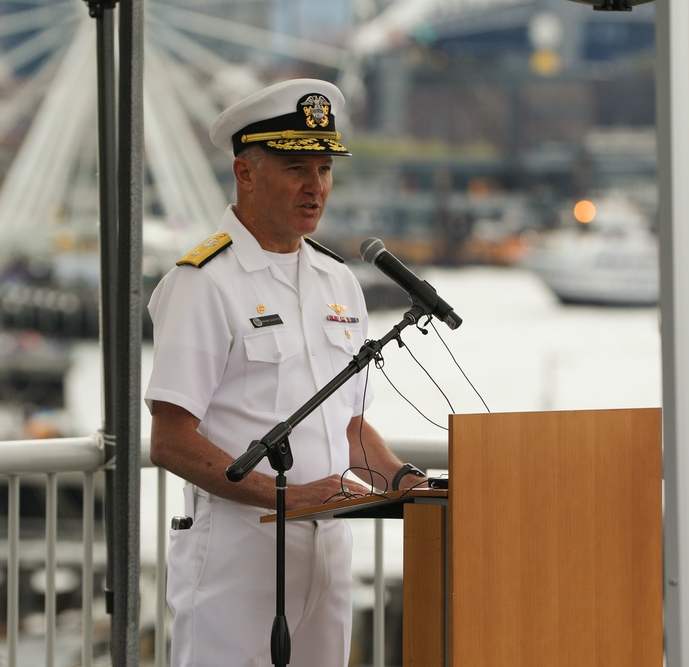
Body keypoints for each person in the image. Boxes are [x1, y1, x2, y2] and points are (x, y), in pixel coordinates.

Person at [145, 79, 428, 667]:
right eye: (297, 166)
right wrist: (291, 495)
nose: (315, 186)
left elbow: (348, 428)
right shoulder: (203, 283)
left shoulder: (339, 282)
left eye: (324, 168)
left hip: (329, 544)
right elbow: (170, 441)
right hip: (236, 545)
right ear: (244, 173)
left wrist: (408, 484)